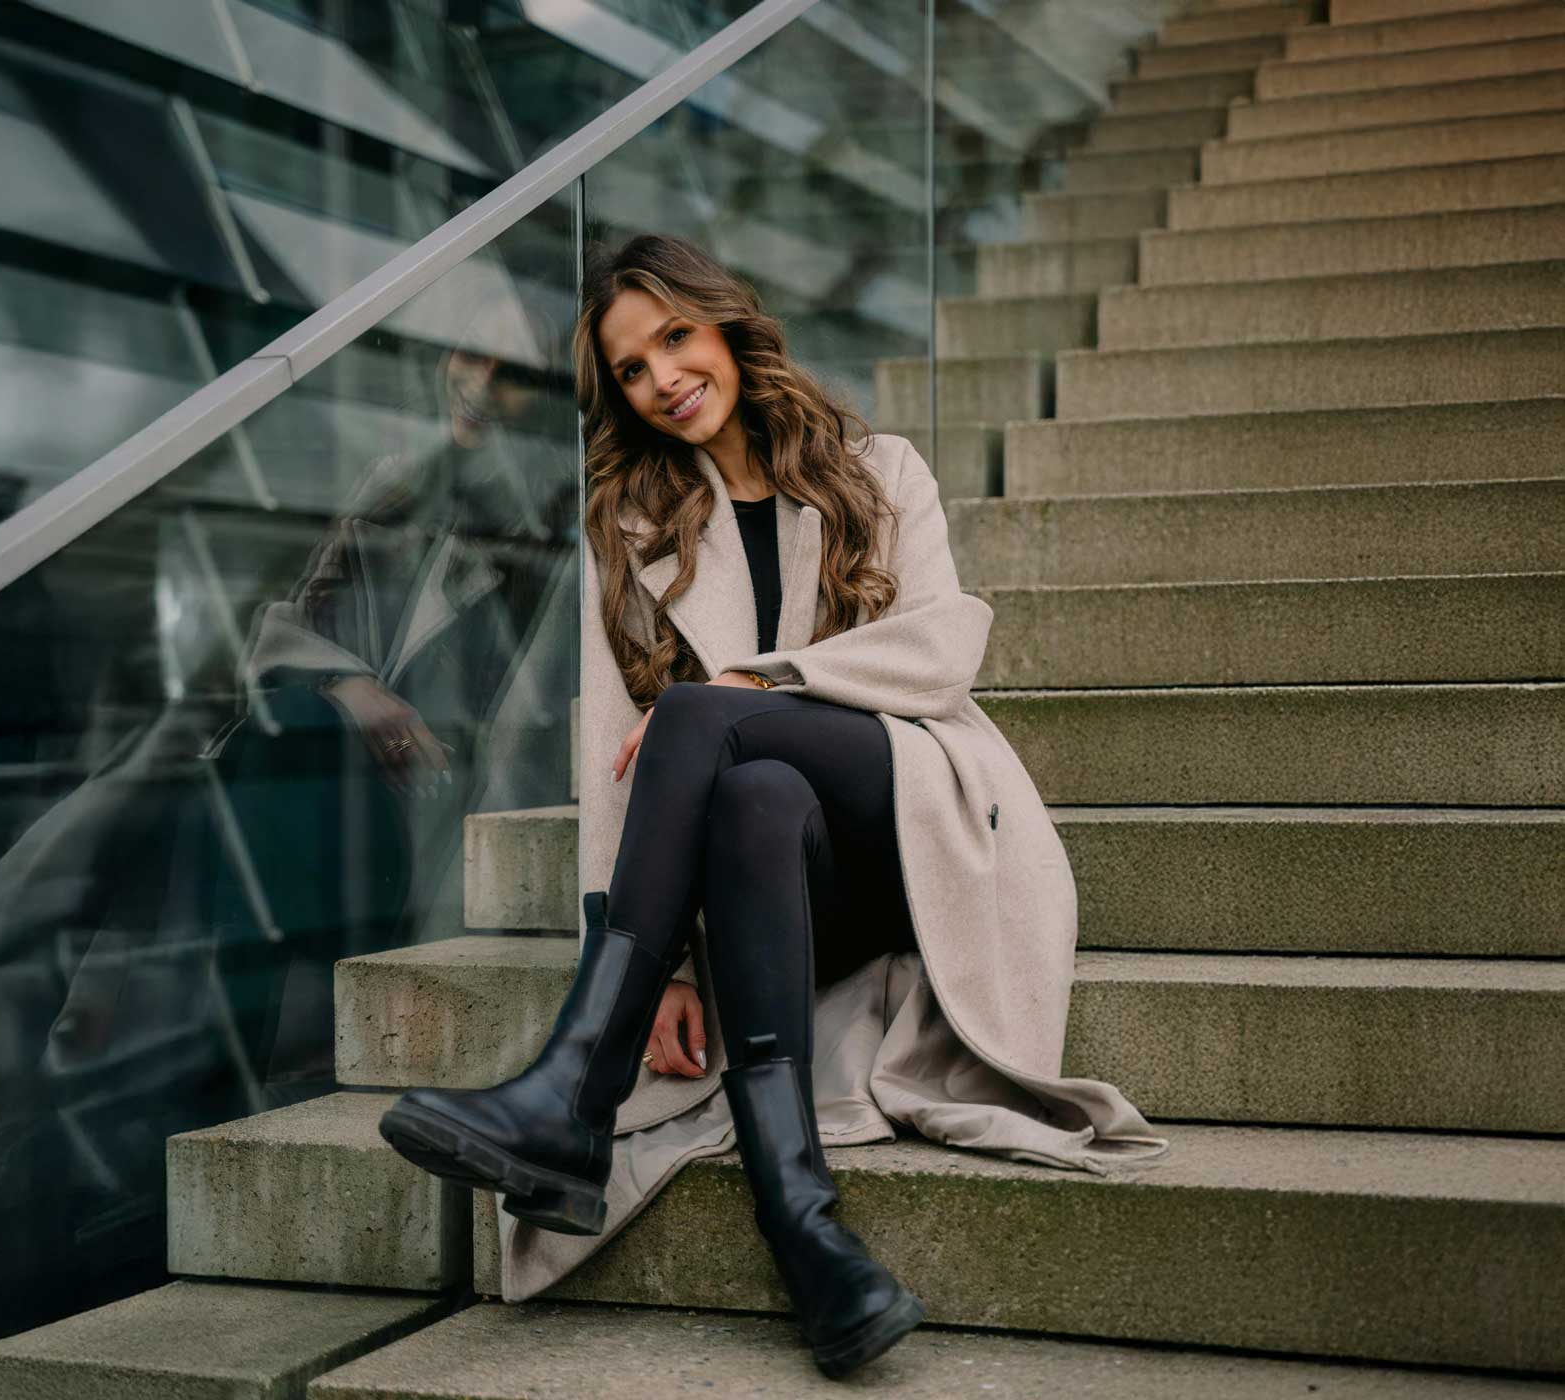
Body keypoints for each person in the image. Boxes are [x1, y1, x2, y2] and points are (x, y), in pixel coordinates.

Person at [380, 232, 1169, 1381]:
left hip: (912, 820)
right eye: (632, 368)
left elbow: (944, 648)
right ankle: (806, 1234)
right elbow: (609, 758)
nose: (663, 378)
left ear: (724, 323)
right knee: (750, 790)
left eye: (675, 338)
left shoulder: (877, 468)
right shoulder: (631, 528)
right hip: (785, 878)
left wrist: (761, 680)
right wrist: (666, 966)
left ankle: (570, 1097)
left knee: (704, 716)